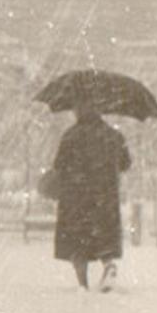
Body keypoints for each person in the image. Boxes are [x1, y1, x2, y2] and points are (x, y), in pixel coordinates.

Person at [50, 104, 133, 291]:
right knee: (104, 238)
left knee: (77, 242)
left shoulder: (70, 135)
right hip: (105, 197)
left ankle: (82, 284)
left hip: (75, 198)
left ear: (79, 111)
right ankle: (109, 265)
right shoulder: (113, 135)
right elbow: (126, 163)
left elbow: (58, 165)